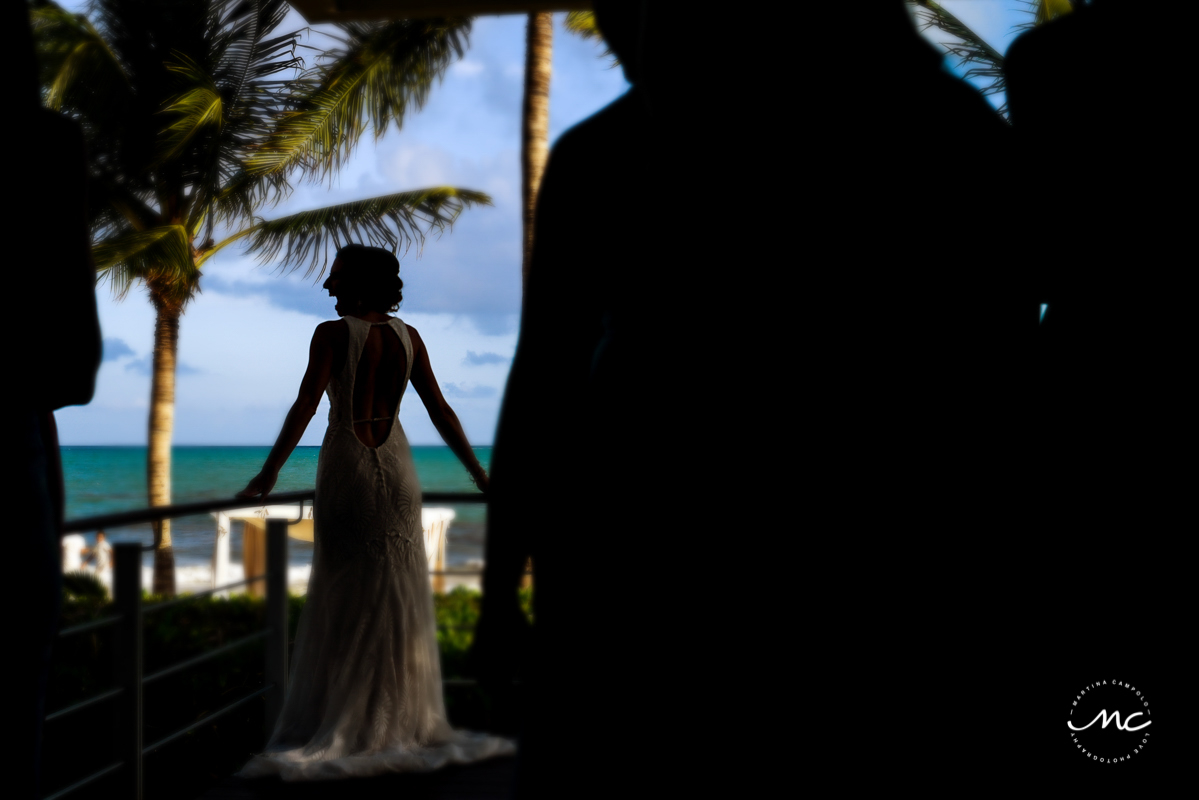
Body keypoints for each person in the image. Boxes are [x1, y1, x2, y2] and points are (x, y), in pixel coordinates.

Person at [234, 244, 512, 780]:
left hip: (348, 467)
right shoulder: (410, 338)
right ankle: (397, 720)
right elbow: (439, 409)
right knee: (395, 590)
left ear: (357, 281)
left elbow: (306, 406)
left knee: (345, 593)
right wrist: (480, 476)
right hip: (398, 466)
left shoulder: (331, 335)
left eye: (334, 276)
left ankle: (348, 720)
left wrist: (267, 475)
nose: (326, 286)